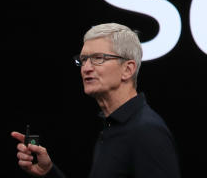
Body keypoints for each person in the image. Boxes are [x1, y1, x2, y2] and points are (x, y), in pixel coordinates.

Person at [11, 23, 181, 177]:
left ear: (128, 69)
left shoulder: (147, 131)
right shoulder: (112, 126)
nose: (86, 68)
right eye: (83, 60)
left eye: (98, 58)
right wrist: (48, 172)